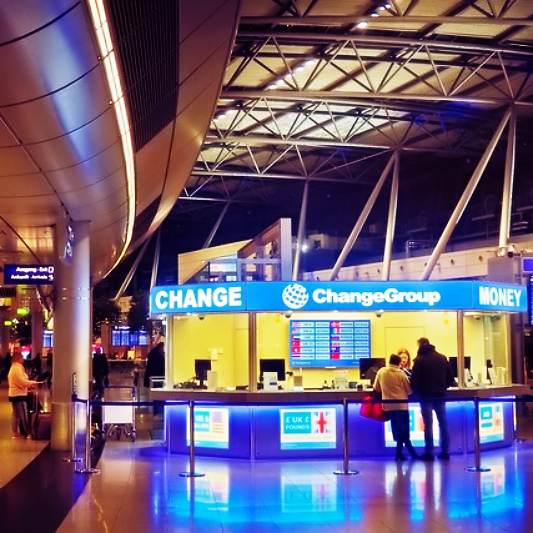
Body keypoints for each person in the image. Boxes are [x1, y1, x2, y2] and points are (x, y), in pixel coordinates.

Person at [411, 337, 455, 461]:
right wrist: (442, 387)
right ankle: (445, 451)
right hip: (440, 396)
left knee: (428, 425)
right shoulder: (442, 358)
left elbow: (415, 381)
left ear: (420, 345)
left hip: (425, 397)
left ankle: (429, 453)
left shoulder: (419, 360)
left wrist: (417, 393)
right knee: (443, 424)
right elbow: (451, 379)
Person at [374, 354, 418, 461]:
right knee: (404, 430)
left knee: (397, 430)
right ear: (398, 363)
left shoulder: (381, 372)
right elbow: (409, 390)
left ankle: (401, 453)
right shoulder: (401, 374)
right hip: (402, 405)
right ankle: (407, 453)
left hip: (388, 406)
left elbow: (376, 388)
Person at [8, 351, 39, 439]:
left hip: (14, 394)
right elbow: (21, 381)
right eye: (22, 357)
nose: (23, 359)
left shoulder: (14, 368)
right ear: (18, 358)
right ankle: (27, 433)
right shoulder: (17, 368)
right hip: (19, 395)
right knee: (23, 414)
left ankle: (15, 432)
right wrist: (32, 383)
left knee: (16, 414)